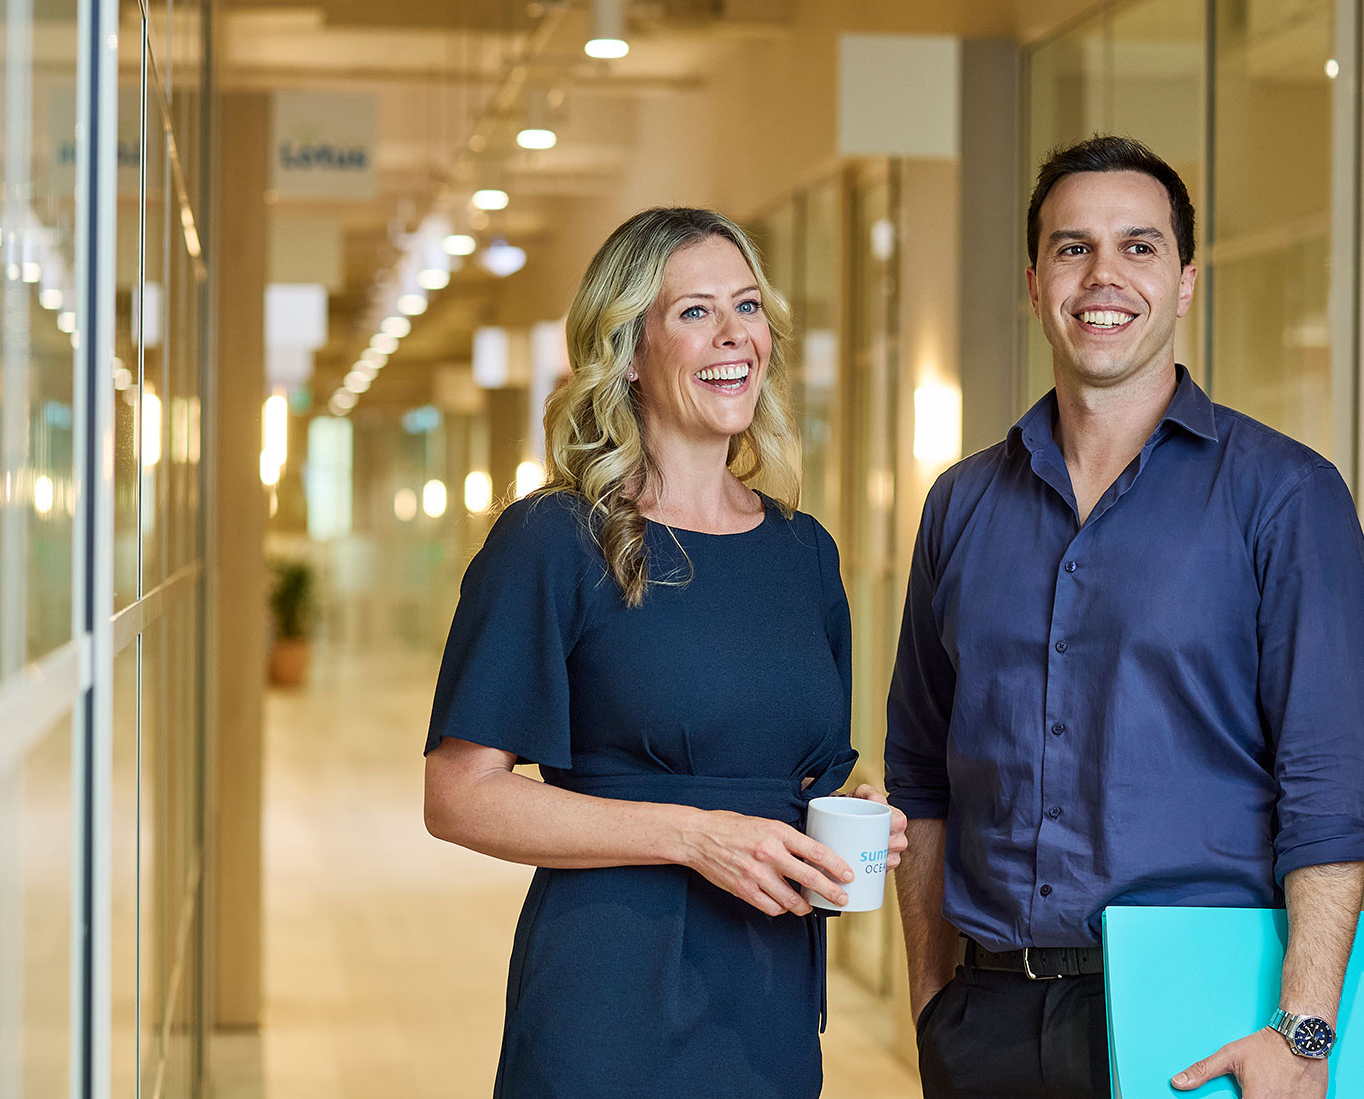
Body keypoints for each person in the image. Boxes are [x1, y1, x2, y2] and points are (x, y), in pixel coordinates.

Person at [887, 134, 1364, 1099]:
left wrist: (1305, 1031)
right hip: (986, 1023)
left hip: (1204, 1025)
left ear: (1187, 281)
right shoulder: (960, 504)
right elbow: (921, 771)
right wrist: (933, 999)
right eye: (1074, 248)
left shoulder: (1285, 496)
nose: (1105, 276)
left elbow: (1331, 786)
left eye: (1140, 247)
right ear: (1034, 281)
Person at [423, 206, 908, 1098]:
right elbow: (458, 796)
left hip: (769, 1001)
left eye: (749, 306)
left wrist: (857, 804)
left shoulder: (805, 553)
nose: (735, 336)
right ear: (630, 350)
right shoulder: (555, 540)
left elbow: (812, 769)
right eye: (694, 312)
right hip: (609, 995)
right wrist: (692, 837)